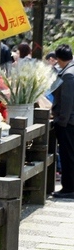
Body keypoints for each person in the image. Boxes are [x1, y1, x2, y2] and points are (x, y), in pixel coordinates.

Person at [51, 44, 74, 198]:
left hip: (68, 122)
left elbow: (67, 101)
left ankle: (69, 188)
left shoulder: (68, 75)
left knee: (67, 156)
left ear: (59, 59)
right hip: (70, 121)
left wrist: (62, 121)